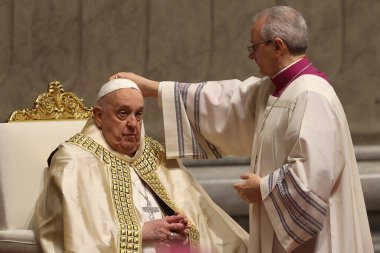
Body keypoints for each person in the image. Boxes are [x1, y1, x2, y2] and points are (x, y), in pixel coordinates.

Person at [109, 5, 374, 253]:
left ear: (278, 46)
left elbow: (314, 176)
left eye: (255, 46)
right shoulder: (275, 89)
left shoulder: (310, 95)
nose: (250, 54)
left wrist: (263, 188)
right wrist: (155, 89)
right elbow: (226, 100)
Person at [36, 78, 249, 253]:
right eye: (122, 113)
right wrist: (141, 232)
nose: (133, 124)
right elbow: (78, 235)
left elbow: (199, 212)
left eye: (138, 114)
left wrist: (184, 227)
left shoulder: (154, 153)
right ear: (99, 116)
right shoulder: (75, 160)